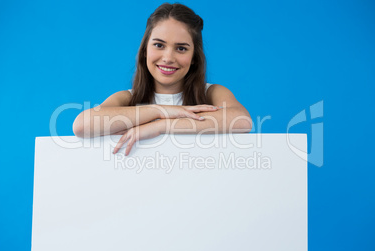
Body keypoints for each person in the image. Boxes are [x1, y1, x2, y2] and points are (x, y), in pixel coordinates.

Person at [73, 3, 252, 156]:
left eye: (181, 48)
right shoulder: (127, 98)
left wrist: (161, 126)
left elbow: (242, 120)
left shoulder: (212, 92)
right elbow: (82, 125)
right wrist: (160, 111)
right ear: (145, 50)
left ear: (194, 57)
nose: (168, 58)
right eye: (159, 45)